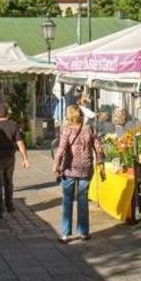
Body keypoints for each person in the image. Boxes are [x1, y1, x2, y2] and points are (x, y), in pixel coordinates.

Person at [52, 104, 103, 243]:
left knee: (67, 200)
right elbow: (98, 147)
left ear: (69, 115)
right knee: (83, 200)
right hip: (86, 169)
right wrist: (100, 163)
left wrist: (55, 164)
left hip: (69, 169)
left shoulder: (67, 130)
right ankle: (83, 232)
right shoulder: (88, 129)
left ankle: (65, 234)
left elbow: (61, 148)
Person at [0, 103, 31, 219]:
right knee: (8, 182)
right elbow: (20, 143)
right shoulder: (13, 125)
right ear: (8, 114)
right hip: (10, 157)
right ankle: (9, 205)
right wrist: (25, 159)